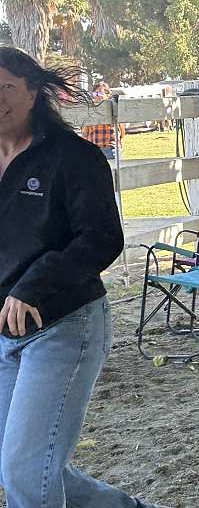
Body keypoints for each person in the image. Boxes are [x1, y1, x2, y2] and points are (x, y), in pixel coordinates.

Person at [0, 47, 167, 508]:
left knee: (26, 472)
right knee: (32, 468)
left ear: (33, 92)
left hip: (64, 324)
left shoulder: (73, 157)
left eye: (6, 88)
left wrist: (31, 284)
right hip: (4, 333)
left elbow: (102, 239)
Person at [80, 81, 123, 160]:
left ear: (107, 95)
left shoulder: (113, 108)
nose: (97, 96)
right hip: (93, 151)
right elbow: (84, 133)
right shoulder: (89, 110)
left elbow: (121, 130)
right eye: (95, 94)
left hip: (110, 149)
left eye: (100, 93)